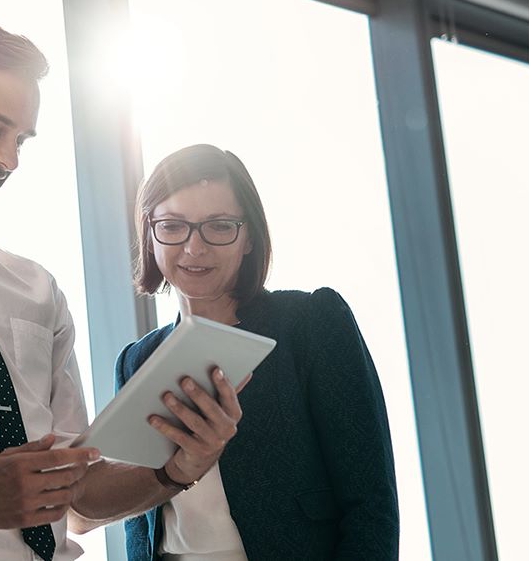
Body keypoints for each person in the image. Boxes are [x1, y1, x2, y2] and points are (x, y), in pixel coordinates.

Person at [0, 20, 242, 561]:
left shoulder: (33, 286)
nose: (10, 160)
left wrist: (176, 471)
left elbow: (78, 491)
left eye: (21, 139)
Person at [98, 144, 399, 560]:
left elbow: (370, 502)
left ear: (249, 238)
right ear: (150, 235)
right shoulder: (135, 361)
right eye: (173, 225)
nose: (194, 247)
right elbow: (139, 518)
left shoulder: (311, 323)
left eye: (219, 226)